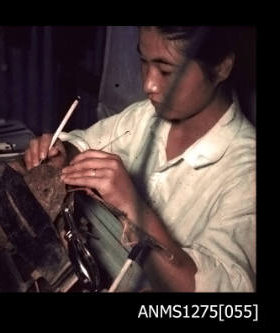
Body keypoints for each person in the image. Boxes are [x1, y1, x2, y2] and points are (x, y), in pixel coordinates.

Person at [24, 26, 256, 292]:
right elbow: (82, 144)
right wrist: (61, 153)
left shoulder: (246, 171)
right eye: (143, 62)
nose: (149, 85)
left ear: (222, 68)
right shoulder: (145, 117)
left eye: (167, 71)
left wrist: (133, 207)